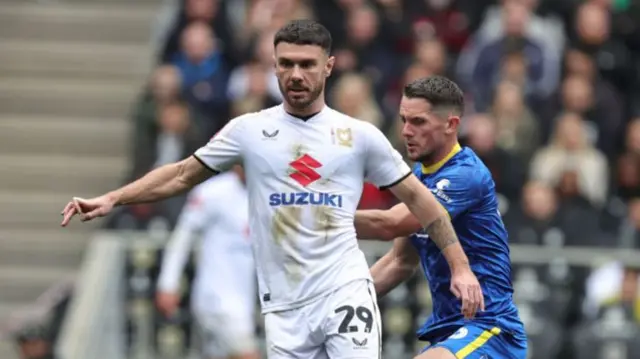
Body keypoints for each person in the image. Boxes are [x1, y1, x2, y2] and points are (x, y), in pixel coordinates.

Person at [60, 20, 482, 358]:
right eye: (286, 64)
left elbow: (424, 204)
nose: (295, 74)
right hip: (283, 308)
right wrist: (114, 197)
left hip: (344, 290)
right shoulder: (249, 131)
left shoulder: (358, 135)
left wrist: (460, 267)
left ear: (329, 66)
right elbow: (182, 174)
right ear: (274, 65)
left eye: (307, 64)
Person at [354, 76, 528, 359]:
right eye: (403, 120)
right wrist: (342, 302)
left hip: (490, 328)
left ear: (451, 124)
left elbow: (390, 223)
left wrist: (317, 215)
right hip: (449, 332)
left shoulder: (465, 174)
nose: (406, 132)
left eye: (418, 122)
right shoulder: (420, 177)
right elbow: (400, 261)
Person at [155, 166, 258, 359]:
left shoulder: (265, 194)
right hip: (216, 297)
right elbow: (183, 237)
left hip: (243, 299)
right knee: (248, 355)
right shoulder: (213, 192)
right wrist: (168, 283)